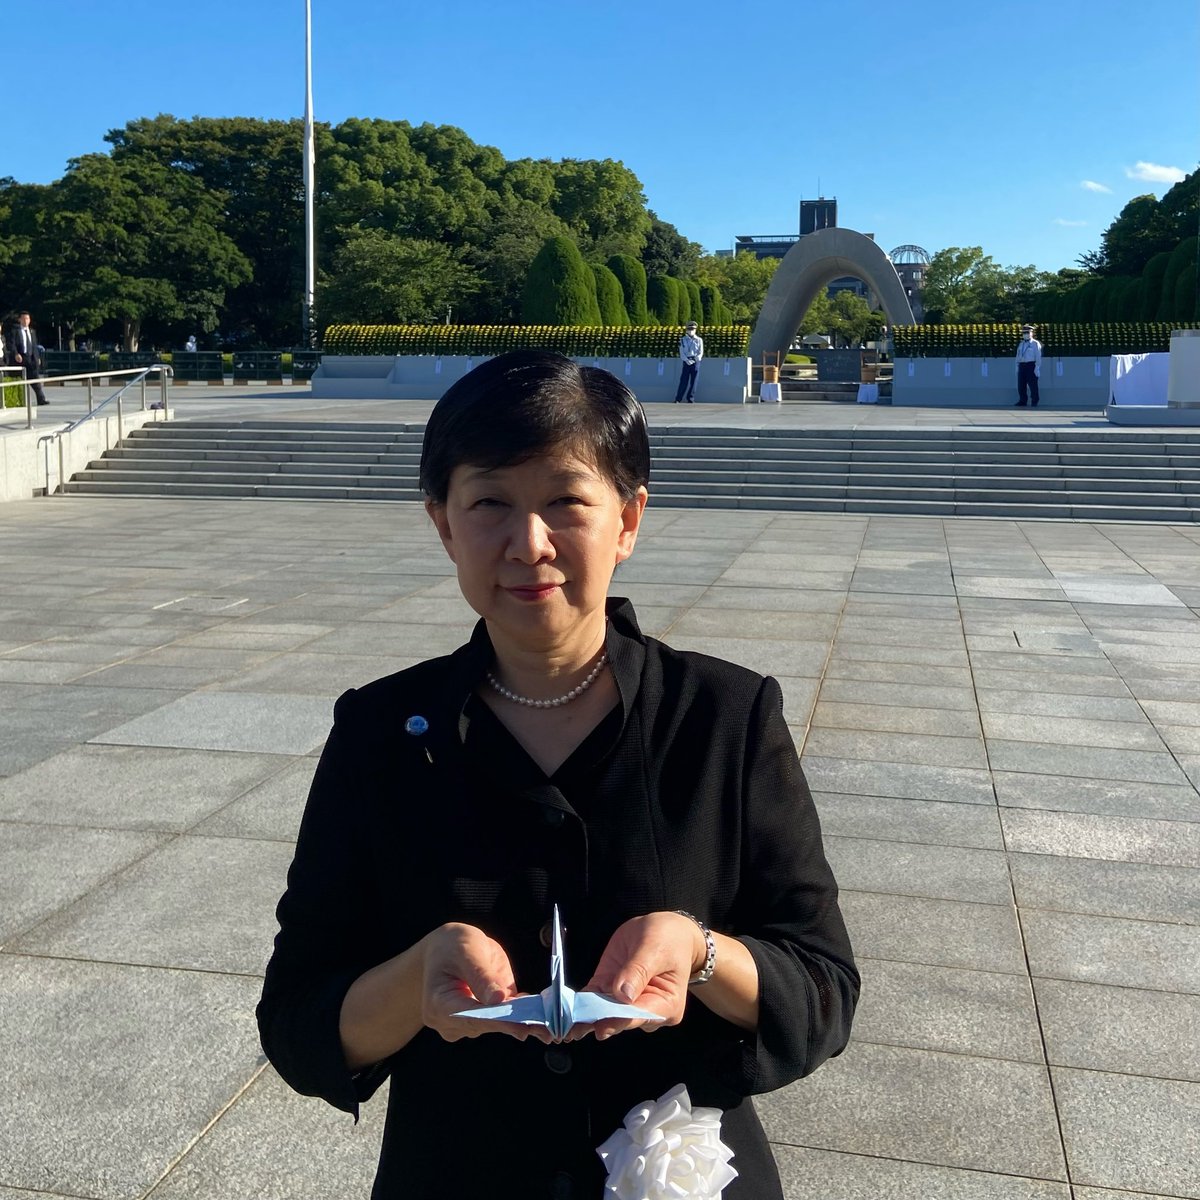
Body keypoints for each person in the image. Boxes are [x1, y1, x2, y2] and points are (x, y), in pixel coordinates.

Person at [258, 350, 858, 1200]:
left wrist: (700, 953)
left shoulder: (724, 715)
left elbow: (825, 986)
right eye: (490, 503)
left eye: (566, 502)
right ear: (443, 523)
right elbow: (295, 1019)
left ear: (629, 519)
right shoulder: (381, 730)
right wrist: (412, 982)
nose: (527, 543)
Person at [10, 311, 47, 405]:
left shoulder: (32, 331)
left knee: (35, 379)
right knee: (19, 380)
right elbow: (12, 344)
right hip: (21, 358)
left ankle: (41, 399)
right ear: (19, 320)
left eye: (27, 319)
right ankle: (19, 400)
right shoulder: (15, 331)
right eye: (23, 319)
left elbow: (34, 346)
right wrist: (16, 354)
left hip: (31, 358)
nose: (25, 321)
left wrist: (37, 357)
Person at [674, 319, 703, 402]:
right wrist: (686, 360)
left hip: (695, 361)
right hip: (686, 361)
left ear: (695, 330)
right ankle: (678, 398)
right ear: (686, 330)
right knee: (683, 380)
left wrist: (695, 359)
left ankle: (690, 398)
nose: (691, 331)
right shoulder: (682, 340)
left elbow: (701, 352)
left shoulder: (699, 340)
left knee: (694, 381)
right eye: (689, 329)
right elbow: (681, 352)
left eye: (692, 329)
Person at [1015, 322, 1042, 407]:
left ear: (1031, 333)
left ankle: (1034, 401)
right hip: (1022, 365)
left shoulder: (1035, 343)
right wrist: (1017, 365)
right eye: (1024, 333)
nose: (1025, 334)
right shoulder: (1021, 344)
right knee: (1021, 385)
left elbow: (1038, 356)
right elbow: (1018, 355)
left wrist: (1037, 367)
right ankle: (1022, 400)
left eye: (1027, 332)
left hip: (1031, 365)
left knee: (1033, 385)